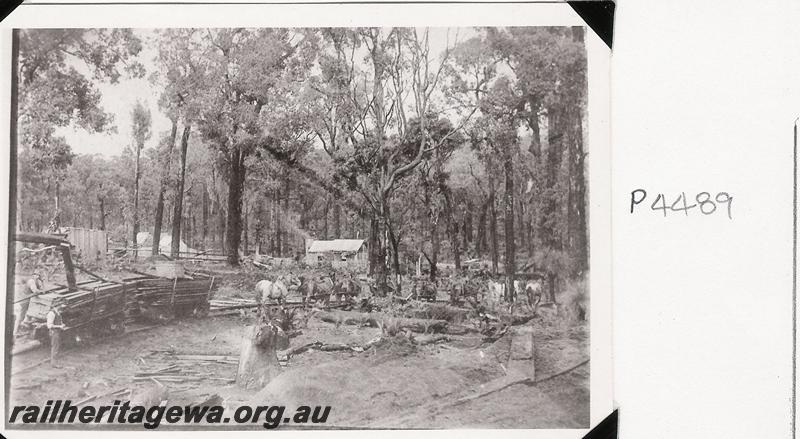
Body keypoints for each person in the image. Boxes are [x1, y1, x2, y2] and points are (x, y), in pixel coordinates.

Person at [13, 272, 42, 337]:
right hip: (25, 300)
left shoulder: (37, 281)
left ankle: (27, 327)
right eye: (36, 275)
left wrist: (40, 286)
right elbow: (35, 290)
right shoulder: (31, 281)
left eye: (38, 275)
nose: (37, 276)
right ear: (34, 275)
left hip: (29, 300)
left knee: (31, 314)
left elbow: (40, 287)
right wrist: (40, 291)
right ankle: (15, 331)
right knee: (21, 316)